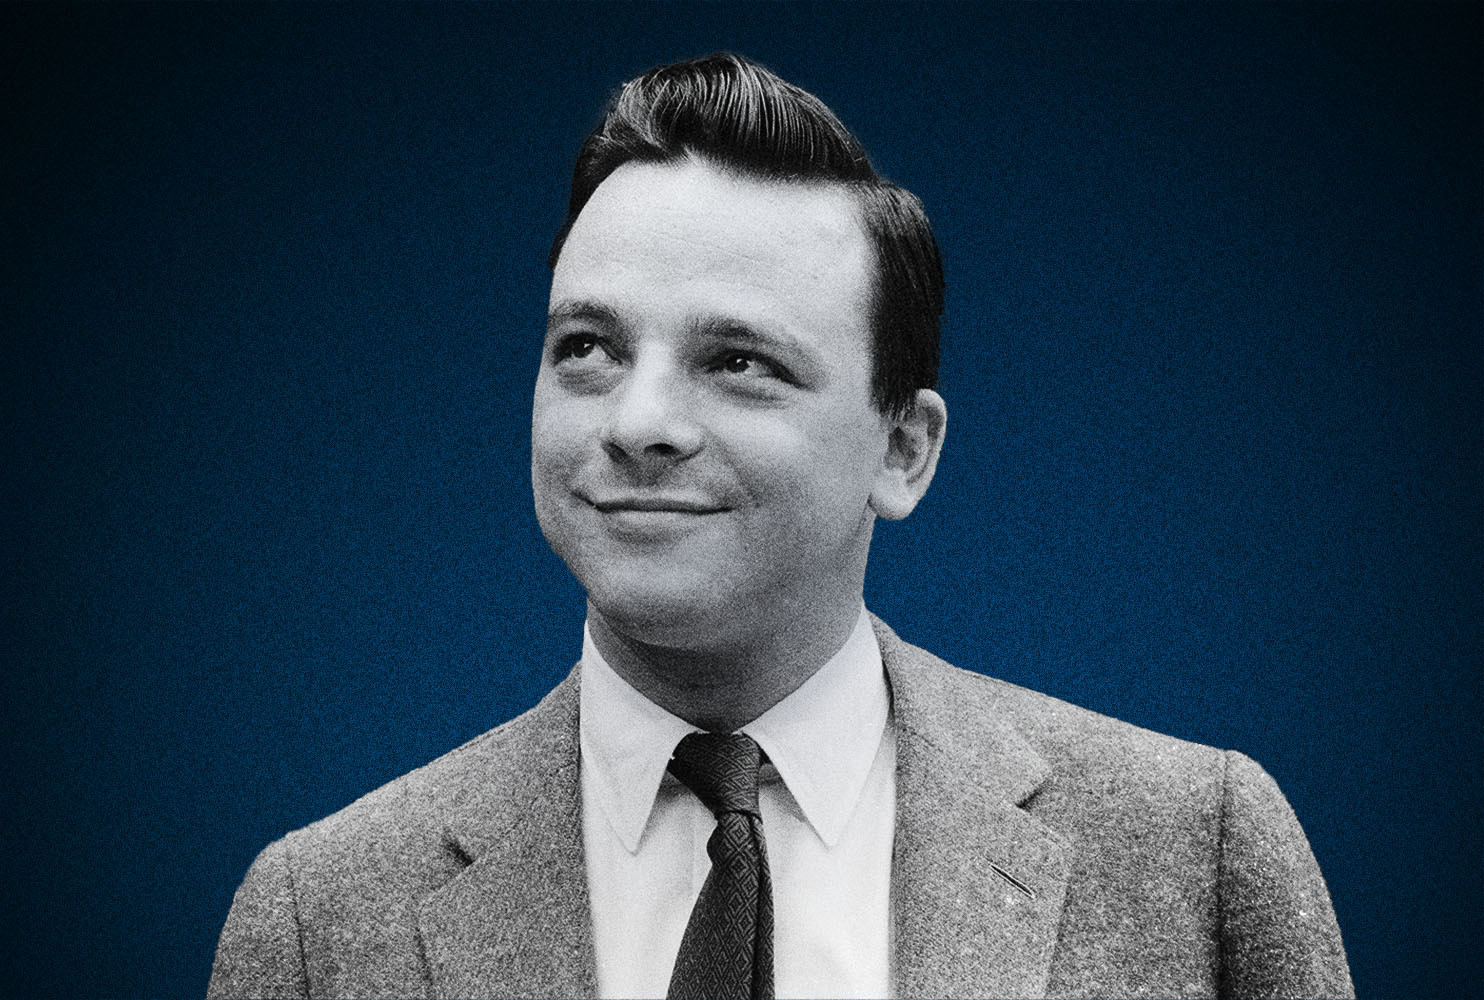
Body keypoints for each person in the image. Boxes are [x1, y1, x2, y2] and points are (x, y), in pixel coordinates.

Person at [208, 53, 1352, 999]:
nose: (639, 420)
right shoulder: (319, 920)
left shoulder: (1196, 852)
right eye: (588, 348)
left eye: (738, 361)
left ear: (904, 449)